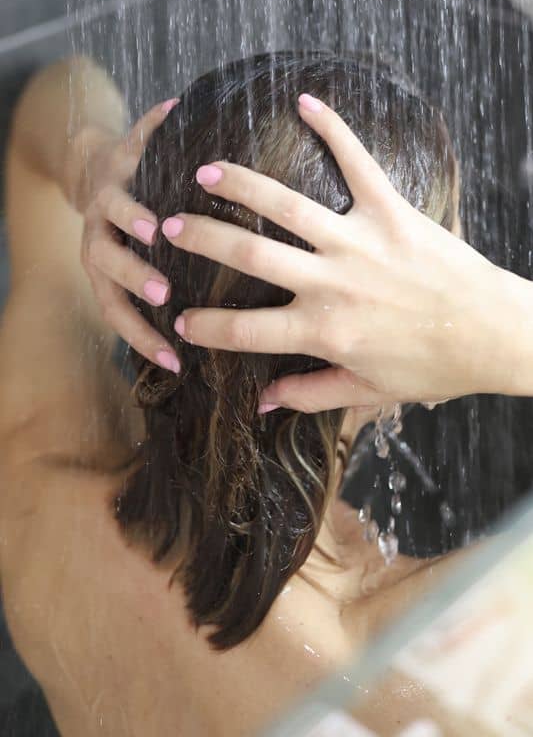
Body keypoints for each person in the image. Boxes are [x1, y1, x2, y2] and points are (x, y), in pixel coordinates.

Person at [1, 51, 532, 737]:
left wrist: (95, 165)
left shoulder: (39, 479)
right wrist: (495, 325)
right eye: (451, 267)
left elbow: (60, 84)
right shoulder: (431, 657)